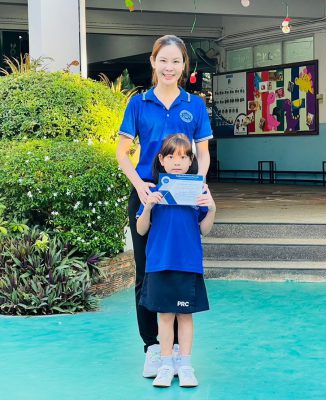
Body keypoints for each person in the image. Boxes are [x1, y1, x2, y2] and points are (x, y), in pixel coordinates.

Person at [115, 35, 213, 378]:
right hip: (147, 194)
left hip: (184, 198)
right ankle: (153, 348)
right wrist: (140, 187)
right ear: (153, 63)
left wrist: (197, 184)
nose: (169, 67)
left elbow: (203, 154)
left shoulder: (194, 105)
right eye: (163, 60)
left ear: (184, 65)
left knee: (179, 268)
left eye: (176, 61)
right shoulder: (138, 104)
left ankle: (178, 356)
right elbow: (122, 153)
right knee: (146, 272)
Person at [136, 134, 216, 388]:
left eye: (183, 157)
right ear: (161, 160)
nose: (177, 162)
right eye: (171, 156)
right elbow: (140, 229)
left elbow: (204, 229)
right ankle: (165, 365)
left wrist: (212, 208)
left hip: (187, 263)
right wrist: (148, 206)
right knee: (165, 316)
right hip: (159, 263)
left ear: (191, 161)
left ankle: (186, 365)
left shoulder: (198, 191)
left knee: (185, 316)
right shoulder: (153, 191)